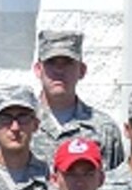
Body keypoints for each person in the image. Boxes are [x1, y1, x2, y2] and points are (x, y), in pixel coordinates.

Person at [27, 27, 125, 170]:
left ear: (82, 70)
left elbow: (114, 185)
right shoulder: (18, 124)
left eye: (67, 62)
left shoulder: (104, 129)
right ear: (38, 69)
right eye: (51, 62)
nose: (59, 70)